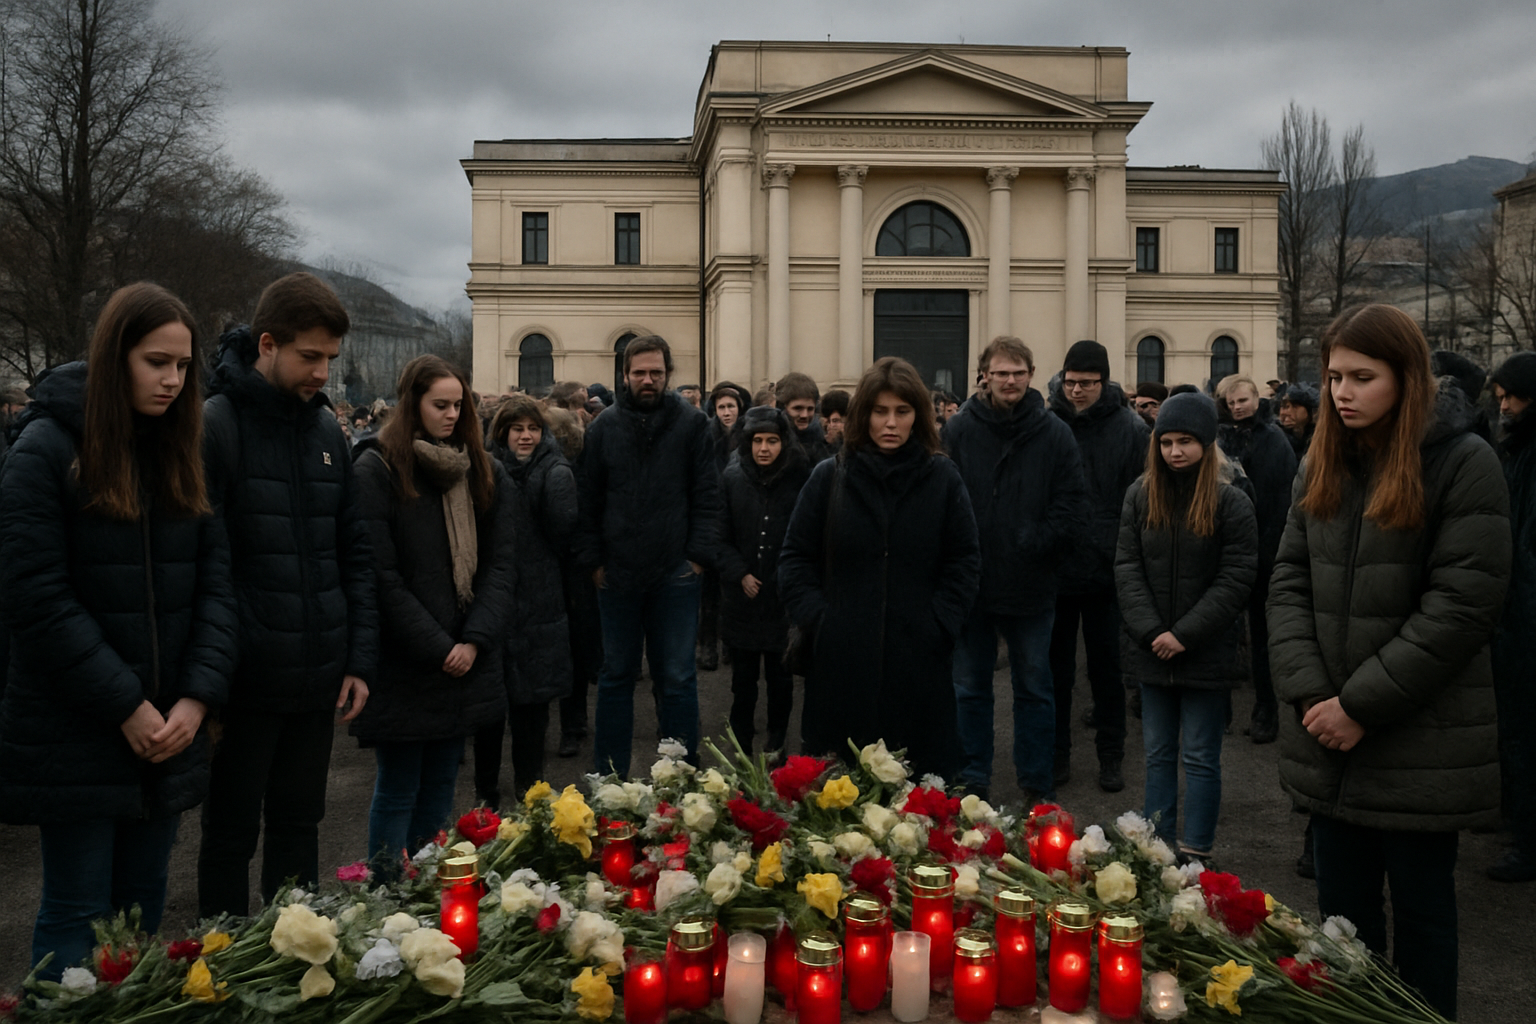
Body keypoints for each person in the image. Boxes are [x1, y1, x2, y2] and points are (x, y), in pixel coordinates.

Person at [1269, 303, 1510, 1020]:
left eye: (1361, 377)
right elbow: (1286, 581)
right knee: (1343, 926)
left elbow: (1462, 606)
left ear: (1407, 378)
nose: (1340, 392)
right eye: (1334, 376)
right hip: (1330, 740)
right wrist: (1316, 698)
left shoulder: (1465, 462)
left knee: (1424, 921)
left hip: (1418, 742)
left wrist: (1359, 706)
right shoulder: (1321, 457)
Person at [0, 283, 236, 977]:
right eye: (155, 361)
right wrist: (127, 706)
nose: (172, 380)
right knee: (75, 912)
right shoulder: (44, 449)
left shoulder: (181, 448)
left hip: (168, 731)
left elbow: (219, 587)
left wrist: (194, 700)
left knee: (141, 907)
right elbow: (36, 597)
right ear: (114, 357)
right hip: (76, 728)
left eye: (183, 366)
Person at [198, 272, 378, 917]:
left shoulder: (327, 432)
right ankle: (220, 971)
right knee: (229, 835)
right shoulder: (214, 427)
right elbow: (208, 565)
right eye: (310, 357)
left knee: (300, 829)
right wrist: (220, 673)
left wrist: (357, 657)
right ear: (267, 344)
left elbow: (352, 553)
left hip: (318, 673)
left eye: (330, 359)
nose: (322, 374)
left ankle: (295, 960)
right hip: (246, 680)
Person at [778, 357, 980, 779]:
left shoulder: (943, 478)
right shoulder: (828, 478)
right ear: (863, 415)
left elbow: (963, 560)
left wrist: (940, 623)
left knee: (918, 807)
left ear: (918, 417)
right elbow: (795, 557)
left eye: (902, 412)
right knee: (836, 800)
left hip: (919, 666)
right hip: (840, 667)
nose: (890, 423)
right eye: (879, 411)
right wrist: (821, 621)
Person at [350, 356, 512, 868]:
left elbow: (502, 565)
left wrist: (474, 640)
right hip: (407, 661)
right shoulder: (377, 469)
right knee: (398, 788)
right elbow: (381, 574)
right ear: (412, 404)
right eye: (439, 404)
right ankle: (384, 899)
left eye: (457, 405)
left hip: (464, 654)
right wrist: (440, 646)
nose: (450, 415)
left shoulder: (481, 468)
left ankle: (423, 897)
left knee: (442, 785)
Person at [943, 337, 1087, 804]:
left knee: (1035, 688)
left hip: (1032, 581)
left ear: (1030, 375)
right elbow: (943, 499)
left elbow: (1071, 503)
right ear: (984, 374)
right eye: (1001, 372)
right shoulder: (959, 431)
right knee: (969, 689)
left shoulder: (1055, 432)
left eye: (1019, 372)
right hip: (974, 583)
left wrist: (1038, 541)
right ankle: (972, 778)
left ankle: (1035, 781)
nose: (1010, 380)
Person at [1115, 393, 1257, 857]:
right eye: (1167, 442)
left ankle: (1195, 851)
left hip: (1205, 652)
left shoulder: (1231, 501)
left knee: (1199, 758)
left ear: (1207, 443)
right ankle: (1155, 849)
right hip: (1153, 649)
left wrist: (1184, 634)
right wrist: (1152, 631)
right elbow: (1127, 566)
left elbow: (1236, 579)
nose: (1175, 452)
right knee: (1156, 756)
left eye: (1187, 442)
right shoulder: (1140, 495)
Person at [576, 336, 720, 775]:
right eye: (639, 372)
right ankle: (610, 778)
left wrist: (696, 558)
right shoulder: (604, 428)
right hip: (617, 575)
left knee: (677, 679)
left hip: (675, 575)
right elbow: (589, 500)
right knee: (616, 678)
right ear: (625, 375)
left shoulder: (693, 424)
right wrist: (595, 562)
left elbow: (708, 496)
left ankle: (680, 778)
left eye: (656, 372)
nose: (648, 380)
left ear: (668, 374)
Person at [1048, 340, 1149, 792]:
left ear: (1104, 382)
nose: (1077, 391)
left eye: (1086, 383)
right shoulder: (1048, 423)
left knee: (1107, 671)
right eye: (1070, 382)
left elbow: (1141, 498)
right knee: (1056, 671)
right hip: (1058, 565)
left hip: (1108, 569)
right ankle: (1057, 755)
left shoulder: (1129, 428)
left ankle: (1112, 756)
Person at [476, 395, 577, 802]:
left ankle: (529, 785)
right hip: (493, 595)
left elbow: (564, 529)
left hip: (540, 597)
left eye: (533, 428)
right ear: (503, 432)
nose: (526, 436)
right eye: (517, 429)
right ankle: (485, 788)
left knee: (532, 705)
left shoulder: (554, 469)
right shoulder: (485, 469)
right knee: (488, 706)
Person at [717, 406, 811, 756]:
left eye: (772, 440)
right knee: (743, 684)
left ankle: (777, 744)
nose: (764, 449)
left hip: (781, 598)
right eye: (757, 441)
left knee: (780, 680)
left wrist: (787, 577)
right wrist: (739, 572)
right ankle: (741, 749)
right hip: (742, 599)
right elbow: (719, 533)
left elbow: (806, 536)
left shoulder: (800, 478)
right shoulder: (732, 477)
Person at [1215, 373, 1298, 744]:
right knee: (1221, 633)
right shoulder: (1219, 438)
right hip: (1225, 551)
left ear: (1255, 399)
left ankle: (1267, 711)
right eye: (1230, 401)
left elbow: (1282, 500)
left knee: (1264, 638)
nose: (1236, 407)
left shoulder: (1275, 440)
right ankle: (1221, 711)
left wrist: (1267, 549)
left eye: (1242, 400)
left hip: (1264, 549)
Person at [1488, 351, 1536, 882]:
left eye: (1511, 398)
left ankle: (1528, 844)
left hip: (1525, 618)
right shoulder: (1516, 450)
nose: (1503, 407)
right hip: (1517, 615)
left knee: (1524, 735)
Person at [544, 406, 601, 758]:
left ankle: (573, 725)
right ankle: (572, 724)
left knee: (573, 650)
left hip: (572, 568)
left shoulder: (577, 470)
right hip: (564, 569)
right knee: (570, 650)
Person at [699, 381, 752, 671]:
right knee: (708, 590)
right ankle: (706, 645)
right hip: (712, 518)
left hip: (736, 518)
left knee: (732, 586)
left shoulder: (749, 437)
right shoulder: (708, 437)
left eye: (731, 406)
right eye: (721, 407)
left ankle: (730, 643)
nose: (727, 412)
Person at [776, 371, 833, 463]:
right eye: (798, 408)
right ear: (783, 407)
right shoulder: (771, 442)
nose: (804, 415)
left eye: (810, 409)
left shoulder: (824, 443)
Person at [1276, 384, 1318, 457]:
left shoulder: (1320, 439)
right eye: (1283, 406)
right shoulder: (1277, 438)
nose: (1284, 412)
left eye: (1295, 407)